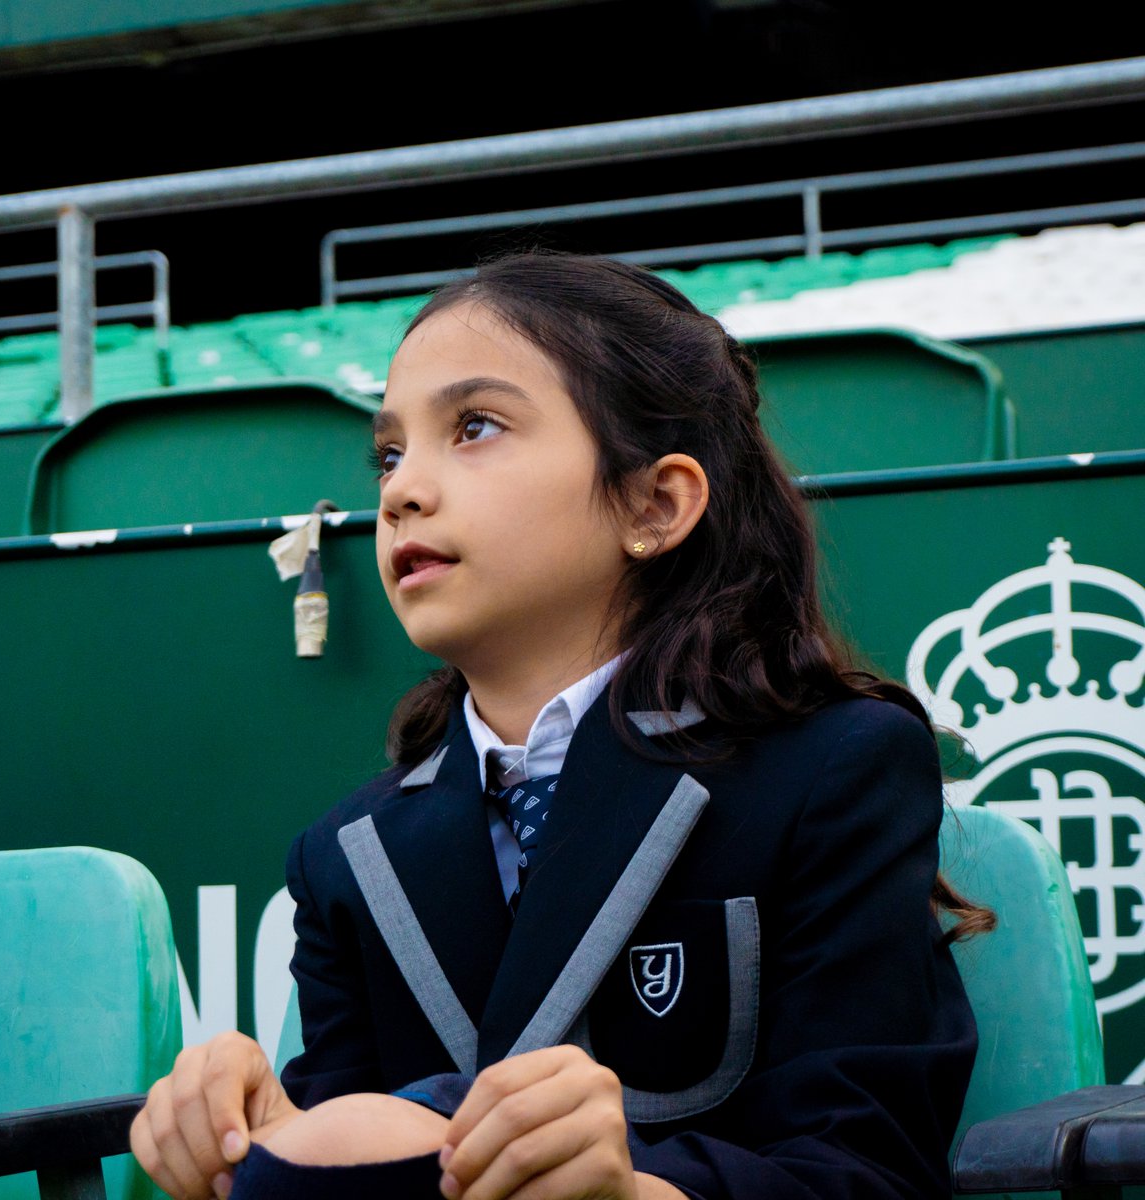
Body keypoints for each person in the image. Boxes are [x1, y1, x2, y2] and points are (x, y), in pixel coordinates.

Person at [131, 251, 988, 1200]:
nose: (401, 490)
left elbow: (868, 1174)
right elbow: (359, 1156)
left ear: (655, 504)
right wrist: (266, 1140)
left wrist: (628, 1193)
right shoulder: (342, 855)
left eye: (475, 427)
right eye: (388, 452)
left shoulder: (836, 766)